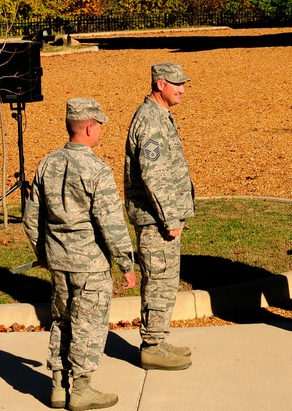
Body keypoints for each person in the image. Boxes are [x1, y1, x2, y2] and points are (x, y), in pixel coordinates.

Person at [23, 98, 137, 411]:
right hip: (90, 264)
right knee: (90, 324)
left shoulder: (47, 163)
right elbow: (111, 222)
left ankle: (58, 386)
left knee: (61, 319)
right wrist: (127, 263)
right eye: (99, 125)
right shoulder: (96, 170)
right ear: (89, 127)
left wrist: (42, 251)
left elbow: (32, 218)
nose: (100, 131)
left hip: (58, 261)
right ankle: (82, 389)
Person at [124, 63, 195, 371]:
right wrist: (170, 217)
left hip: (161, 218)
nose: (182, 89)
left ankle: (158, 339)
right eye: (176, 84)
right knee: (159, 280)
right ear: (159, 84)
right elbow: (153, 174)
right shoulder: (151, 122)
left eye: (183, 84)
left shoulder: (160, 116)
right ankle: (152, 346)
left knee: (165, 281)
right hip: (156, 220)